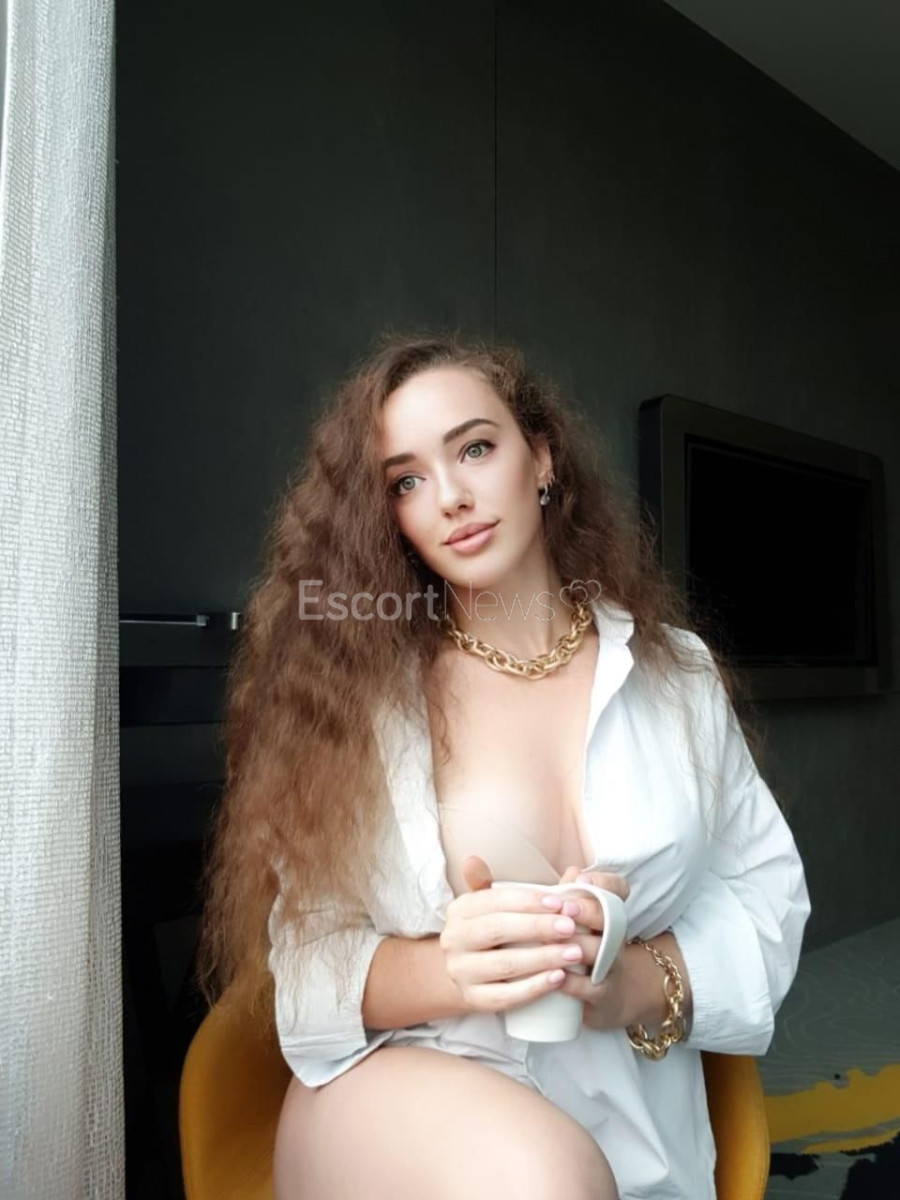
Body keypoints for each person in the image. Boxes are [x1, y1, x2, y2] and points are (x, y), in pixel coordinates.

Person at [196, 332, 811, 1200]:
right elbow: (302, 978)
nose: (450, 497)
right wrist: (457, 969)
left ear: (543, 457)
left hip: (636, 1123)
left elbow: (766, 897)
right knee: (548, 1179)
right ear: (389, 518)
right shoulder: (362, 702)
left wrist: (627, 985)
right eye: (406, 481)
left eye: (475, 449)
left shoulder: (677, 673)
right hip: (398, 1099)